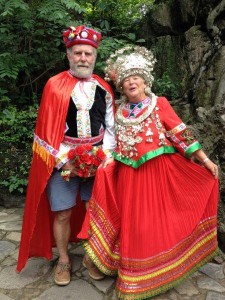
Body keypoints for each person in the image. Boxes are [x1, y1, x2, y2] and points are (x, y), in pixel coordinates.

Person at [78, 45, 219, 300]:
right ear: (121, 86)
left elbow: (181, 134)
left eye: (136, 77)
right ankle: (131, 277)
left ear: (145, 82)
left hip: (159, 175)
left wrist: (205, 159)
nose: (131, 82)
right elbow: (111, 142)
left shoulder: (159, 104)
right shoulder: (117, 111)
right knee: (133, 226)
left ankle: (156, 273)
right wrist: (105, 159)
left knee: (154, 224)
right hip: (128, 179)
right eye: (126, 79)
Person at [16, 25, 116, 286]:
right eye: (78, 53)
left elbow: (112, 126)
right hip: (63, 162)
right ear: (69, 55)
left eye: (88, 54)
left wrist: (102, 156)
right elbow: (47, 132)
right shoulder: (54, 85)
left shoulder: (104, 87)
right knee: (62, 213)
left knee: (94, 211)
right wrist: (66, 160)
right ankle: (63, 259)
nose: (83, 58)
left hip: (97, 161)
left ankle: (91, 257)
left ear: (95, 56)